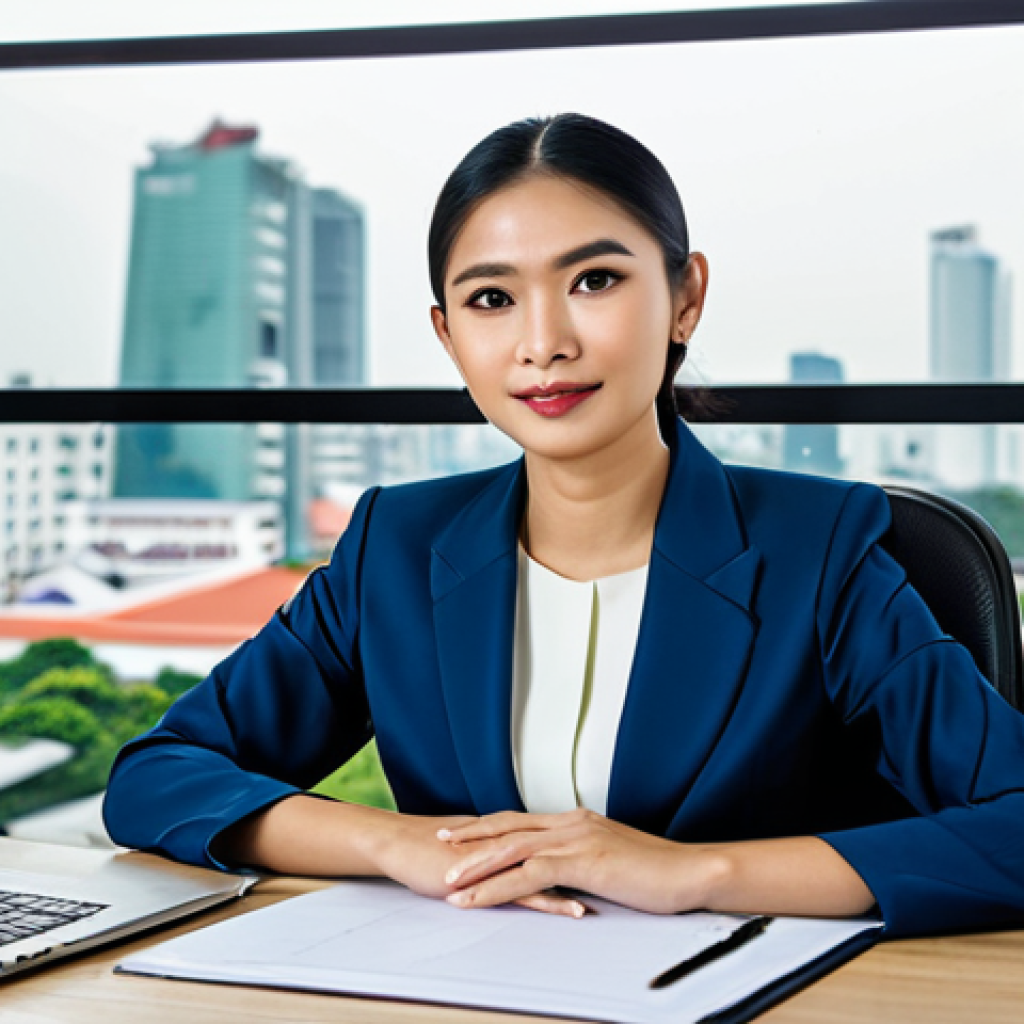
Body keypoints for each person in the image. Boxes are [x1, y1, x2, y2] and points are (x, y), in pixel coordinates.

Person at [103, 113, 1024, 939]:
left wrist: (695, 873)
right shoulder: (396, 545)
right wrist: (405, 846)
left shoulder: (818, 550)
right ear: (448, 335)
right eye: (492, 300)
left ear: (685, 299)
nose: (544, 342)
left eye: (594, 279)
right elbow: (160, 775)